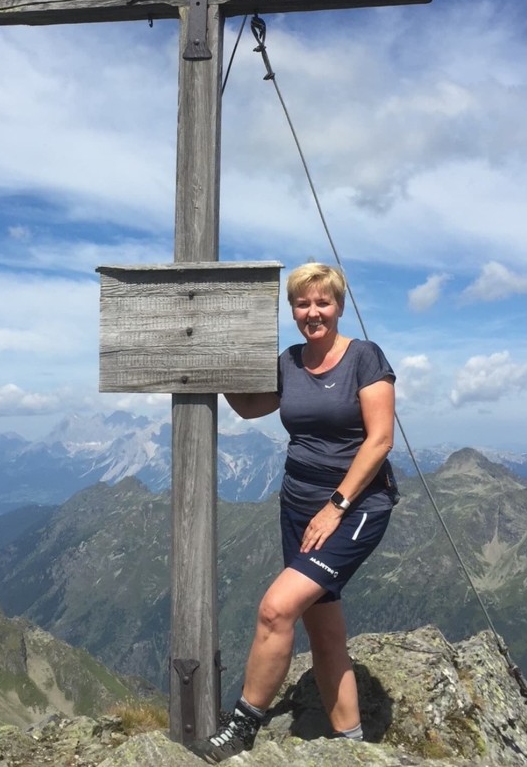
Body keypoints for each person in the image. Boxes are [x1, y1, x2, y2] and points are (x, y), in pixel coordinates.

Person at [190, 262, 398, 763]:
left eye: (322, 302)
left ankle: (241, 728)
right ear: (292, 311)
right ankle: (352, 748)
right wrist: (212, 361)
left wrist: (336, 507)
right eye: (302, 304)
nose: (312, 312)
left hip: (354, 507)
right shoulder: (290, 362)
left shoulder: (364, 358)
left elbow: (381, 439)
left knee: (276, 608)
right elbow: (246, 406)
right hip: (298, 506)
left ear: (339, 305)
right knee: (323, 631)